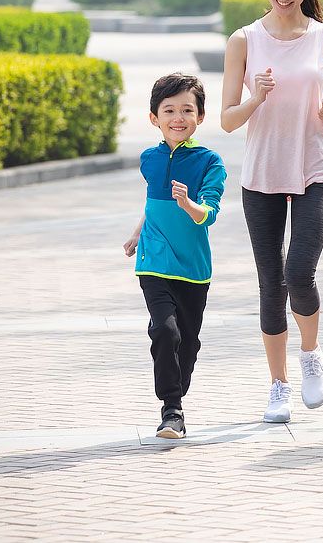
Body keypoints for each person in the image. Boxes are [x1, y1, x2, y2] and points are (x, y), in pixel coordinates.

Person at [221, 0, 323, 424]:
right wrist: (258, 97)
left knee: (300, 274)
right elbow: (229, 119)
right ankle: (278, 386)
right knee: (271, 283)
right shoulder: (244, 40)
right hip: (262, 174)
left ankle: (311, 353)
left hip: (315, 166)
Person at [123, 73, 226, 440]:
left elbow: (209, 213)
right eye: (169, 110)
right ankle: (171, 410)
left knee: (189, 341)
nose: (177, 117)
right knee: (165, 331)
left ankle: (176, 394)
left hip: (194, 268)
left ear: (200, 116)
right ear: (154, 117)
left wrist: (189, 204)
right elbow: (153, 202)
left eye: (187, 109)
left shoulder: (209, 161)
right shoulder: (149, 158)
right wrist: (138, 232)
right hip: (153, 259)